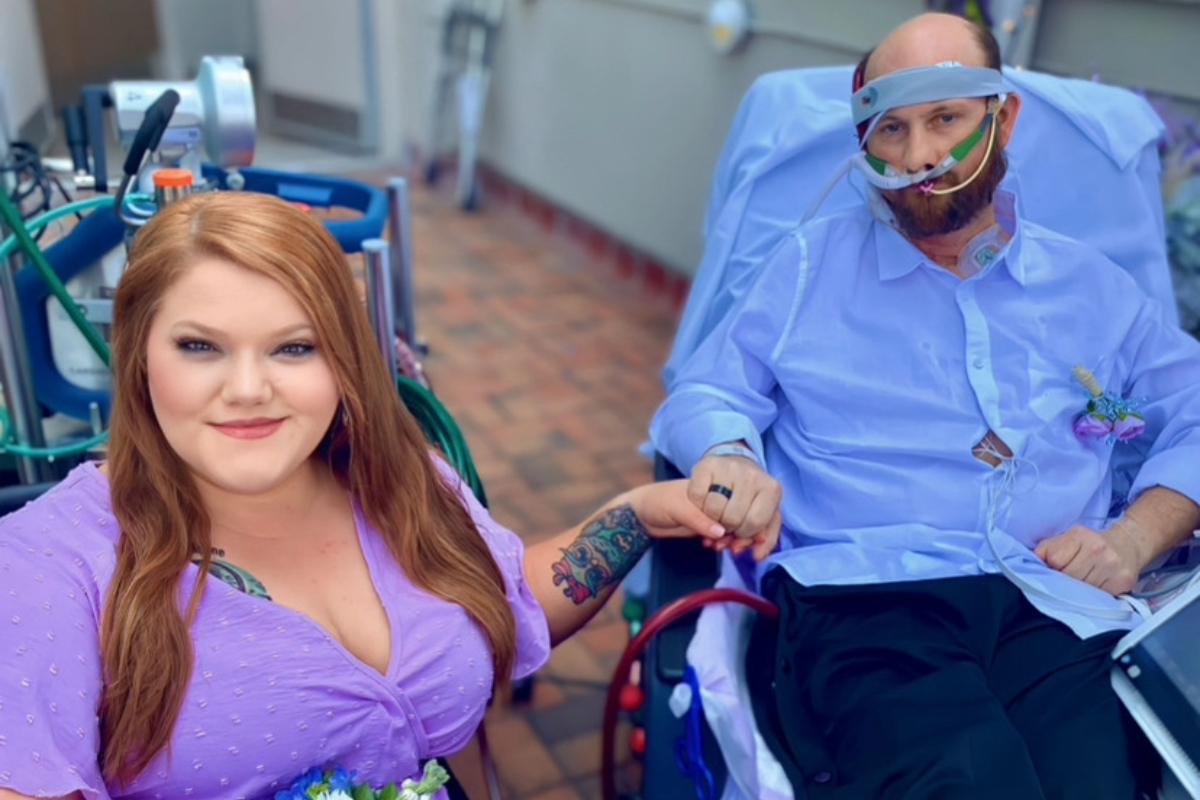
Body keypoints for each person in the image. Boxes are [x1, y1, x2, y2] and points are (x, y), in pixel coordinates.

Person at [0, 191, 776, 800]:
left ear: (344, 362)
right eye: (199, 346)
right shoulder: (49, 567)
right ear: (137, 359)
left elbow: (507, 605)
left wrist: (641, 514)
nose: (247, 389)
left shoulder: (400, 481)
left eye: (294, 347)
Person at [651, 12, 1200, 800]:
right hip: (870, 601)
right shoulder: (808, 268)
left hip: (1052, 605)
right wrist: (731, 453)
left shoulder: (1092, 289)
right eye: (891, 130)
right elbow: (709, 388)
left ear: (1002, 118)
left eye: (946, 119)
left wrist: (1138, 536)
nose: (919, 157)